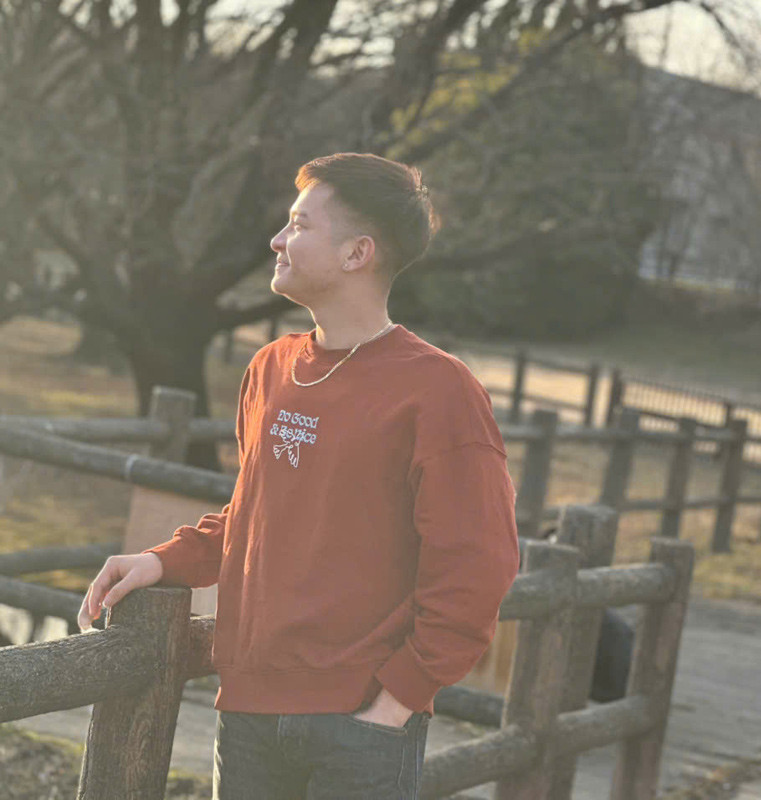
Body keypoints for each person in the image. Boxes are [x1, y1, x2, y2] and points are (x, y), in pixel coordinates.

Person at [77, 152, 520, 799]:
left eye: (300, 224)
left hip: (363, 726)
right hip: (248, 714)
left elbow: (479, 560)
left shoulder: (439, 390)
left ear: (357, 253)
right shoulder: (269, 369)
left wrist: (399, 698)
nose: (277, 240)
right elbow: (256, 515)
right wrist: (162, 561)